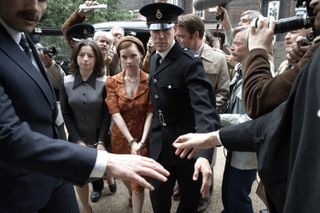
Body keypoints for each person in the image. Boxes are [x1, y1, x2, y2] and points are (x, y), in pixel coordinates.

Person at [0, 1, 170, 212]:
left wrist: (104, 144)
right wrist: (98, 158)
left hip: (57, 173)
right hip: (21, 185)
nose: (34, 6)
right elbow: (8, 134)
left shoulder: (24, 40)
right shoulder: (70, 79)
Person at [173, 0, 320, 211]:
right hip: (240, 141)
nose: (232, 46)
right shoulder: (242, 67)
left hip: (250, 150)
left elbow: (256, 109)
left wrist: (214, 121)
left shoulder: (259, 66)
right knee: (230, 195)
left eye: (239, 44)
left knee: (236, 196)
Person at [139, 3, 220, 213]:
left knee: (189, 201)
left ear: (174, 30)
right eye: (155, 30)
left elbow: (205, 109)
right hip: (160, 143)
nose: (160, 36)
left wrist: (204, 151)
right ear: (149, 32)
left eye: (165, 29)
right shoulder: (155, 59)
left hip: (186, 145)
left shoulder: (189, 62)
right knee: (158, 198)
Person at [175, 13, 230, 212]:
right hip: (182, 122)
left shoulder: (217, 58)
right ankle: (184, 188)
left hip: (205, 124)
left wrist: (208, 113)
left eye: (181, 36)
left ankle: (203, 196)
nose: (178, 40)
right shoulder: (177, 56)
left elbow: (223, 90)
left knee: (206, 160)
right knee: (183, 159)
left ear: (196, 34)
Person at [60, 40, 110, 212]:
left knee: (106, 171)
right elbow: (66, 114)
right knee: (80, 176)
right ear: (76, 57)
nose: (86, 59)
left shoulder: (105, 82)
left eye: (90, 55)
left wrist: (102, 141)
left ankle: (113, 184)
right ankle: (86, 208)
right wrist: (78, 141)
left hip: (101, 138)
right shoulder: (66, 82)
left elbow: (107, 114)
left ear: (97, 59)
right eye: (82, 55)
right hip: (77, 138)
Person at [105, 36, 153, 213]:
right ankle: (130, 193)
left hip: (142, 136)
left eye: (133, 55)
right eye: (124, 57)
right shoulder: (112, 81)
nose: (129, 61)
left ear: (141, 54)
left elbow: (150, 112)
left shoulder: (150, 80)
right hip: (120, 137)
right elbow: (115, 113)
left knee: (138, 182)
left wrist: (140, 142)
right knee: (124, 174)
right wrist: (130, 141)